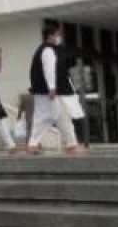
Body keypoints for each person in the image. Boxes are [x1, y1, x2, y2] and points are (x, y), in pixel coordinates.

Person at [26, 24, 82, 155]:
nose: (60, 37)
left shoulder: (51, 49)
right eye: (58, 34)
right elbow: (49, 69)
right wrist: (52, 87)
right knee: (46, 116)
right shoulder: (48, 50)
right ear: (50, 35)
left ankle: (71, 144)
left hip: (54, 90)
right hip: (49, 91)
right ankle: (33, 144)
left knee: (63, 116)